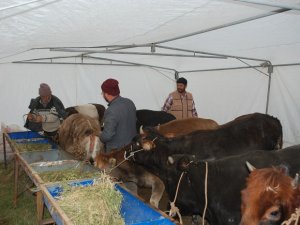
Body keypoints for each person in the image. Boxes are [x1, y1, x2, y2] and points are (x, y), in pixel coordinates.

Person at [100, 78, 137, 152]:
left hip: (117, 153)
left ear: (106, 94)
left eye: (102, 93)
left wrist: (99, 135)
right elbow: (135, 121)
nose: (102, 94)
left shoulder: (111, 110)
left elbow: (107, 136)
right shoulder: (129, 102)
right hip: (132, 147)